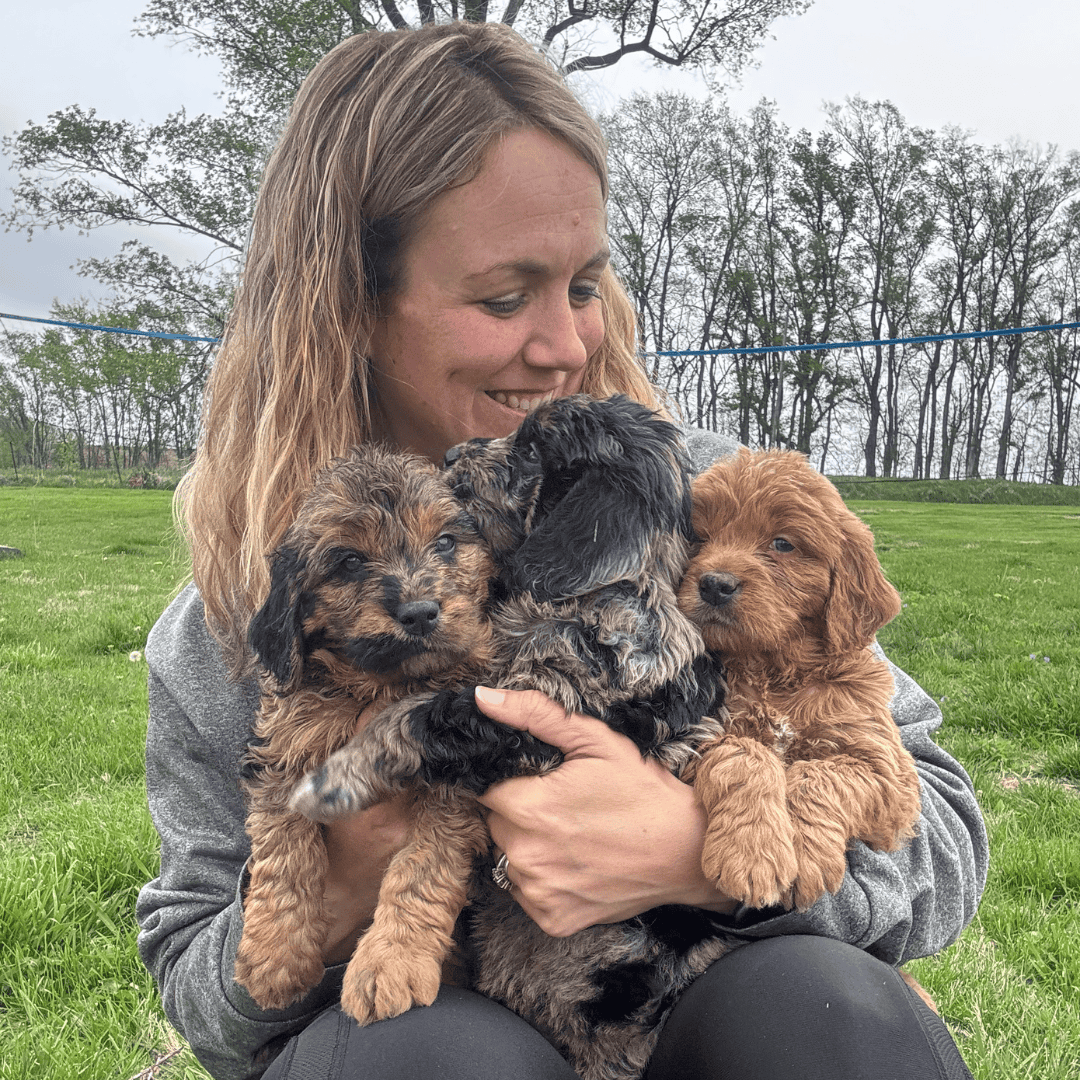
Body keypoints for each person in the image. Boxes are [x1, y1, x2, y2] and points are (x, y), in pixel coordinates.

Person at [136, 20, 988, 1080]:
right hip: (429, 1029)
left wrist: (697, 857)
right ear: (346, 305)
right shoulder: (239, 610)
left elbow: (943, 831)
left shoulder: (691, 501)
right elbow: (198, 988)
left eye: (585, 285)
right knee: (434, 1054)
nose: (569, 344)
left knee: (822, 1009)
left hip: (679, 1006)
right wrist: (343, 874)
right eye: (505, 297)